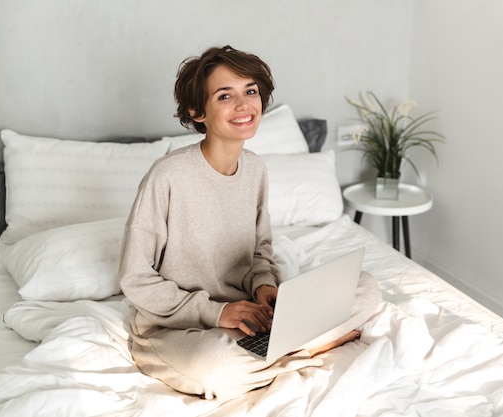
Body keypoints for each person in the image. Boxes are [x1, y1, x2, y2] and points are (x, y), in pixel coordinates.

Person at [119, 45, 382, 401]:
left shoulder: (255, 168)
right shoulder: (167, 176)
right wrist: (217, 312)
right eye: (225, 95)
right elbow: (136, 278)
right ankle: (306, 350)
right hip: (177, 327)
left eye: (251, 91)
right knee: (214, 367)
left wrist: (264, 287)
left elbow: (259, 251)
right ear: (197, 111)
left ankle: (277, 348)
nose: (244, 106)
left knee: (365, 288)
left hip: (251, 316)